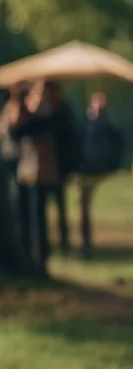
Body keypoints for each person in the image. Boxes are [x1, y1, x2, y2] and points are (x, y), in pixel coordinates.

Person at [9, 80, 61, 267]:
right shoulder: (32, 118)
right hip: (27, 173)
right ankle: (29, 253)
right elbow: (15, 132)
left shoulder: (48, 118)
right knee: (25, 215)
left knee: (37, 218)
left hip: (40, 174)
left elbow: (23, 130)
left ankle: (39, 256)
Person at [74, 91, 125, 259]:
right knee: (83, 207)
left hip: (99, 170)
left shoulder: (108, 127)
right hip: (85, 169)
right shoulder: (83, 125)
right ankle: (85, 243)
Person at [48, 82, 81, 254]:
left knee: (60, 205)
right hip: (46, 166)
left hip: (59, 166)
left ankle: (63, 243)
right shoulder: (47, 112)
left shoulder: (63, 113)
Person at [0, 82, 26, 212]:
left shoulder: (16, 109)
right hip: (7, 154)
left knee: (15, 191)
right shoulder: (6, 110)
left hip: (15, 155)